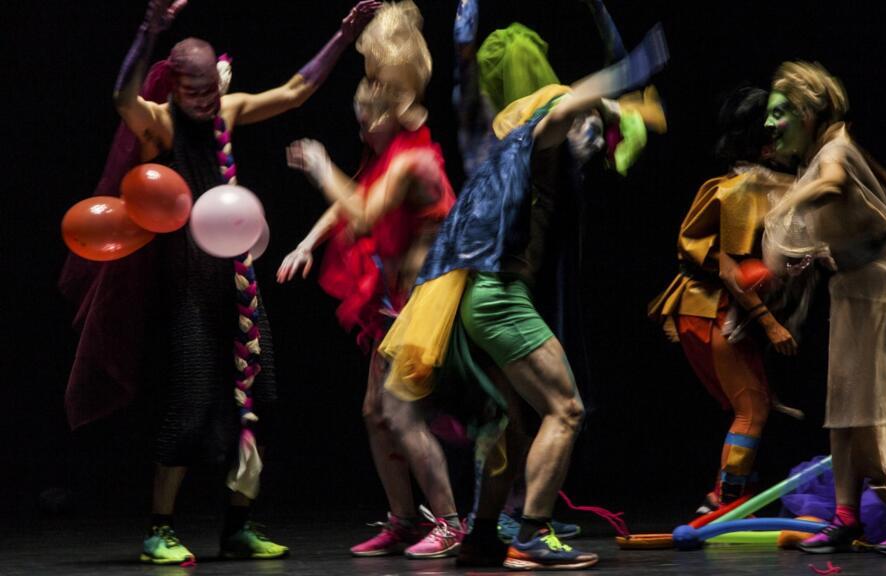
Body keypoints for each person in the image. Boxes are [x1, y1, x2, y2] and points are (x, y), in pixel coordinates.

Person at [61, 0, 380, 564]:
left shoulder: (226, 115)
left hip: (236, 282)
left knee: (253, 404)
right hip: (185, 284)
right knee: (189, 404)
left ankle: (238, 525)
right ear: (176, 84)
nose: (208, 102)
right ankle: (159, 529)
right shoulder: (159, 124)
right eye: (196, 92)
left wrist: (341, 34)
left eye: (213, 90)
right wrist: (148, 30)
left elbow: (294, 91)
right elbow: (120, 98)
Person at [379, 25, 669, 570]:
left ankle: (483, 535)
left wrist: (611, 117)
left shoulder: (501, 155)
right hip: (497, 297)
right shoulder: (535, 135)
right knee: (566, 408)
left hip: (474, 297)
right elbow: (564, 109)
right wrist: (629, 72)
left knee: (510, 429)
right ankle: (532, 536)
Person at [277, 0, 464, 560]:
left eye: (365, 119)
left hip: (426, 303)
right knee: (373, 412)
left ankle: (450, 522)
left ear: (386, 116)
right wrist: (307, 242)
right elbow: (354, 198)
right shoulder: (384, 154)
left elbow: (360, 209)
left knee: (402, 416)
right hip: (394, 304)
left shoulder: (415, 160)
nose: (360, 124)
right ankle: (405, 519)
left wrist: (318, 166)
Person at [760, 61, 886, 556]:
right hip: (852, 287)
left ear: (809, 112)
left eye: (780, 112)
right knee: (844, 412)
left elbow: (831, 184)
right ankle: (845, 517)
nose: (769, 124)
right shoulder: (813, 158)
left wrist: (786, 203)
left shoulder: (834, 148)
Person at [648, 86, 797, 515]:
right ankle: (725, 499)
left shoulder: (752, 185)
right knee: (751, 409)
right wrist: (770, 323)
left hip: (708, 309)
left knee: (752, 405)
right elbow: (732, 270)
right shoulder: (741, 191)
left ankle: (733, 492)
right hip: (713, 311)